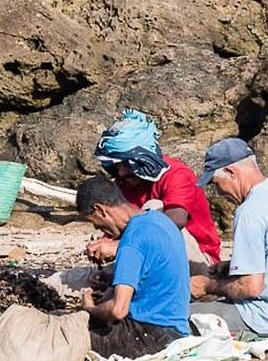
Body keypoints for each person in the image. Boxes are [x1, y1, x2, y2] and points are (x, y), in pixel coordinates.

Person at [0, 176, 192, 361]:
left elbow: (118, 310)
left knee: (47, 330)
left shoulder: (133, 240)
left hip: (147, 336)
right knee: (56, 318)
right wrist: (112, 277)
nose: (99, 230)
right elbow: (156, 272)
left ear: (101, 209)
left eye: (95, 222)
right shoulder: (158, 221)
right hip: (172, 328)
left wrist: (89, 309)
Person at [189, 138, 268, 335]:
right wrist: (233, 264)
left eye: (216, 183)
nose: (219, 192)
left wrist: (206, 285)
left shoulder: (249, 211)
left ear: (231, 173)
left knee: (175, 318)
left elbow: (250, 287)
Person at [89, 109, 221, 272]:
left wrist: (119, 247)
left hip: (196, 262)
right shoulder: (124, 182)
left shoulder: (177, 175)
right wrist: (103, 243)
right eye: (117, 166)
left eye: (126, 164)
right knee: (81, 280)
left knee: (154, 207)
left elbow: (174, 223)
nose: (122, 172)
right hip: (145, 257)